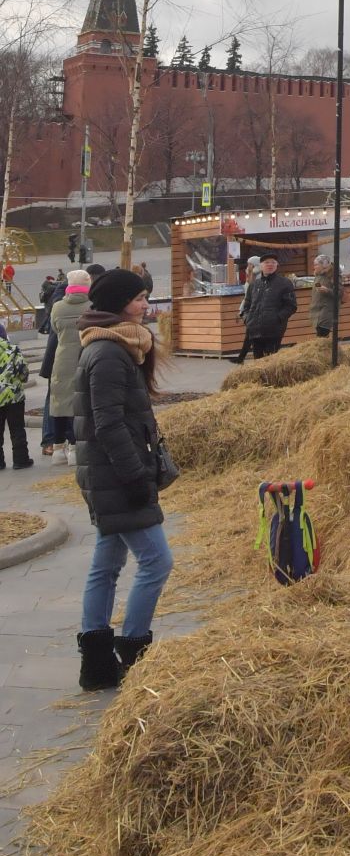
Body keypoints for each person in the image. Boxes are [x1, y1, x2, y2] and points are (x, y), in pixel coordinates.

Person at [73, 267, 174, 691]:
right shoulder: (109, 352)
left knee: (107, 563)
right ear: (118, 303)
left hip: (108, 474)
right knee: (156, 561)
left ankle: (96, 664)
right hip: (116, 476)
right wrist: (135, 476)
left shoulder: (116, 345)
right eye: (138, 299)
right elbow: (108, 423)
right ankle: (134, 651)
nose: (145, 305)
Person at [40, 265, 104, 463]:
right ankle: (76, 449)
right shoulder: (93, 306)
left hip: (62, 358)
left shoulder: (58, 307)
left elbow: (55, 329)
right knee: (81, 404)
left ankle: (58, 449)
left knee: (59, 403)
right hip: (86, 356)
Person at [246, 254, 296, 358]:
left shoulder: (285, 283)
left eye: (273, 262)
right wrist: (247, 319)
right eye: (267, 262)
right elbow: (247, 304)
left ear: (277, 265)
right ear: (260, 266)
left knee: (271, 360)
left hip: (274, 330)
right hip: (255, 330)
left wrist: (277, 318)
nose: (270, 265)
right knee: (258, 362)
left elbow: (291, 306)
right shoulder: (254, 284)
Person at [0, 323, 33, 469]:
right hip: (15, 397)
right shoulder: (12, 350)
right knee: (17, 428)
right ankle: (21, 460)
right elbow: (23, 372)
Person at [227, 257, 263, 364]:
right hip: (250, 309)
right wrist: (240, 310)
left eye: (249, 264)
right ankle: (242, 358)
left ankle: (243, 358)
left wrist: (241, 310)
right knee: (249, 336)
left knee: (250, 335)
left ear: (254, 264)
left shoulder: (259, 276)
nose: (247, 266)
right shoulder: (251, 275)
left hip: (255, 310)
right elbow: (247, 296)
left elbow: (251, 296)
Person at [311, 255, 336, 338]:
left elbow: (340, 293)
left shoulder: (333, 276)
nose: (314, 267)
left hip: (326, 311)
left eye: (316, 265)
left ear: (324, 265)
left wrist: (327, 290)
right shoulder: (318, 276)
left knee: (322, 337)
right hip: (318, 311)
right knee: (321, 336)